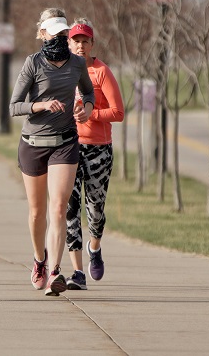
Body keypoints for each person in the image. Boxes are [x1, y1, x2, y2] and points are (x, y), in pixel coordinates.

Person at [9, 8, 95, 296]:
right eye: (53, 33)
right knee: (37, 213)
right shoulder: (32, 63)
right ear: (42, 34)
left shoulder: (77, 64)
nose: (59, 38)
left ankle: (56, 272)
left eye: (63, 33)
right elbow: (13, 106)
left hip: (65, 141)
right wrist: (40, 105)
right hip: (33, 144)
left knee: (58, 208)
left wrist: (87, 109)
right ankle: (40, 261)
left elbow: (89, 93)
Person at [64, 19, 124, 290]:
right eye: (75, 40)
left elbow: (119, 112)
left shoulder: (101, 72)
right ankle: (77, 273)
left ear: (92, 44)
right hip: (69, 147)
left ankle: (95, 247)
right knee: (70, 208)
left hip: (99, 149)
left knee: (95, 209)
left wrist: (92, 113)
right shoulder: (63, 71)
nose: (80, 45)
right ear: (68, 43)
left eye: (84, 41)